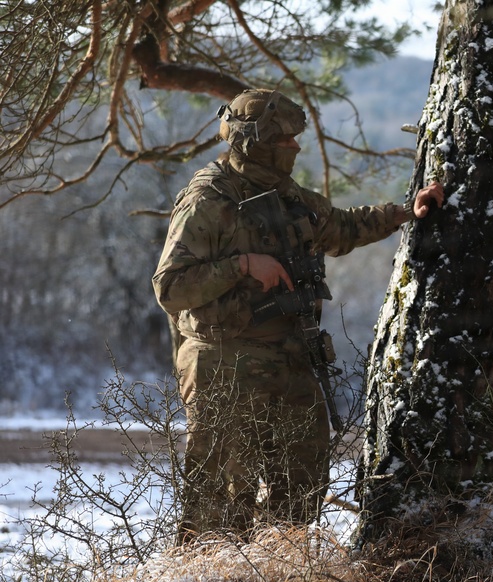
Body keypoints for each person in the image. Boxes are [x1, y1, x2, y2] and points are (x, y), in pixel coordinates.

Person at [152, 89, 444, 542]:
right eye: (284, 139)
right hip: (226, 364)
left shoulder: (288, 198)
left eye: (294, 137)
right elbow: (170, 288)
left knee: (302, 488)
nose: (295, 147)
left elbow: (343, 227)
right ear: (256, 141)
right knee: (222, 502)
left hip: (291, 361)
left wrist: (406, 212)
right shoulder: (209, 200)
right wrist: (243, 265)